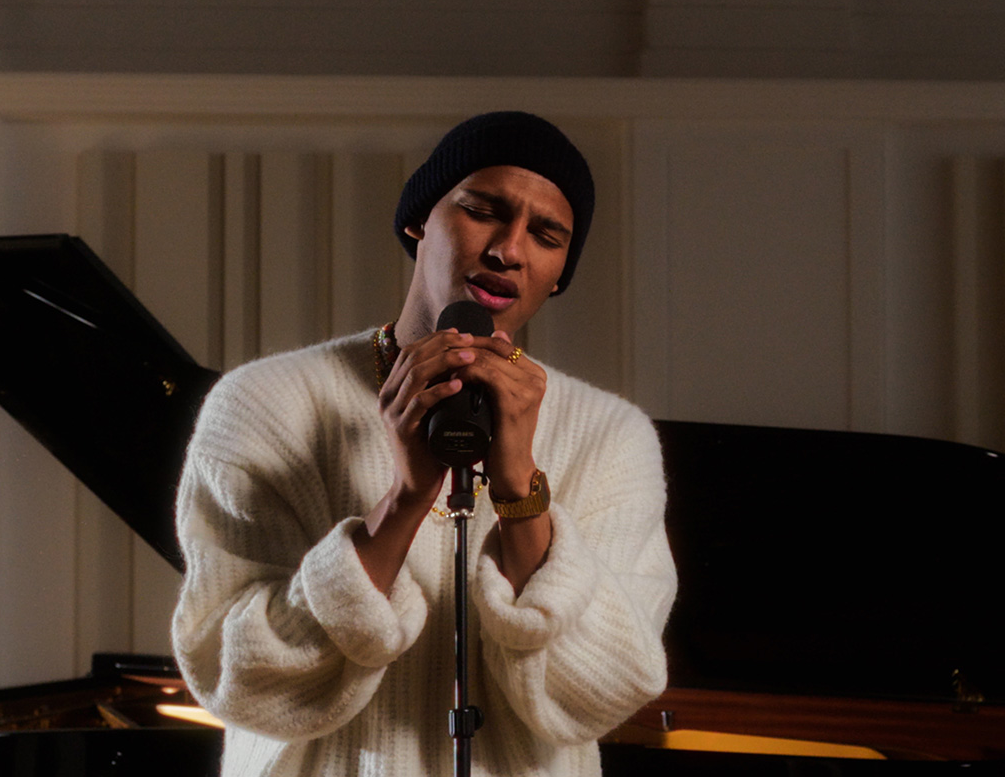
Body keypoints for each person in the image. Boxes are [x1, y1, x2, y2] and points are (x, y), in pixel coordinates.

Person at [173, 111, 676, 776]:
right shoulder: (263, 404)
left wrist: (518, 488)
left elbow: (607, 689)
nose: (509, 249)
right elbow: (233, 675)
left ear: (559, 273)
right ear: (419, 220)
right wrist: (405, 499)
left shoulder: (612, 436)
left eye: (546, 235)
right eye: (483, 210)